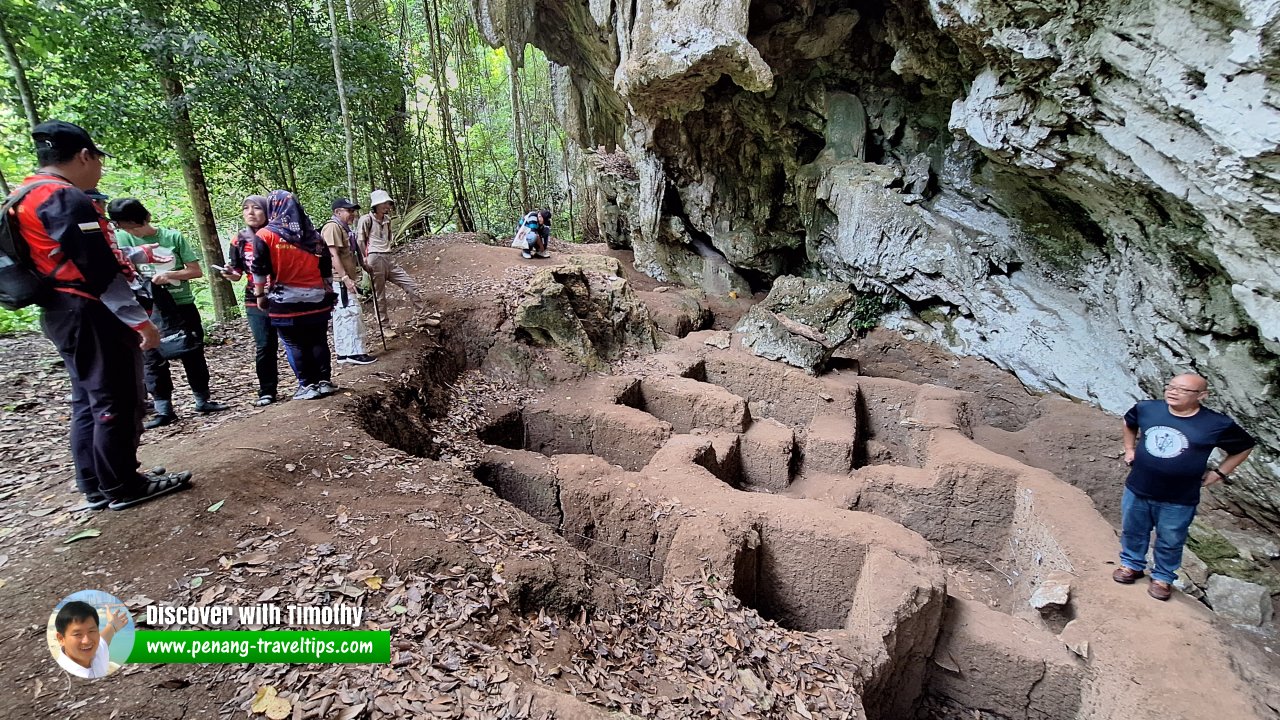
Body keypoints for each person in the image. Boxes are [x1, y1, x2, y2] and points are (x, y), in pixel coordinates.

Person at [11, 120, 190, 511]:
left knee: (88, 396)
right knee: (118, 396)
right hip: (91, 309)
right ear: (84, 156)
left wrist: (137, 256)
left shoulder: (23, 195)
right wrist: (140, 322)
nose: (99, 169)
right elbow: (99, 271)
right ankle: (122, 484)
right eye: (97, 160)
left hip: (61, 309)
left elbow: (72, 256)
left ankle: (97, 480)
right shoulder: (66, 198)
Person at [1114, 373, 1255, 600]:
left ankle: (1162, 577)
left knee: (1171, 538)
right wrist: (1129, 449)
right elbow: (1129, 422)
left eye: (1182, 389)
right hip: (1138, 486)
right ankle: (1131, 564)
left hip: (1179, 496)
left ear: (1202, 396)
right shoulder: (1147, 408)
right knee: (1133, 529)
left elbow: (1244, 446)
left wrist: (1220, 472)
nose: (1173, 391)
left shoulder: (1217, 424)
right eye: (1170, 386)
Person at [109, 198, 230, 427]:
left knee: (192, 353)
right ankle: (163, 409)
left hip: (181, 305)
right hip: (146, 309)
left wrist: (170, 275)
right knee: (152, 358)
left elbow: (195, 271)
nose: (133, 231)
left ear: (146, 218)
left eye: (136, 226)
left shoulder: (172, 237)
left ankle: (203, 400)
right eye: (127, 227)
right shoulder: (121, 240)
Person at [250, 190, 337, 400]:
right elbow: (325, 264)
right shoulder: (312, 235)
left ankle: (307, 385)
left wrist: (259, 294)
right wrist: (328, 288)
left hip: (284, 300)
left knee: (294, 343)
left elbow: (259, 268)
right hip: (316, 297)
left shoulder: (266, 236)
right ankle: (324, 381)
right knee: (318, 340)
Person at [222, 195, 279, 406]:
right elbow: (237, 273)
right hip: (253, 297)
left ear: (267, 211)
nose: (250, 212)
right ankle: (267, 391)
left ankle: (307, 382)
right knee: (264, 345)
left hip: (281, 294)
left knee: (294, 341)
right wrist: (229, 273)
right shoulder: (239, 239)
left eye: (256, 208)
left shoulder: (276, 234)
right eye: (246, 208)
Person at [357, 189, 437, 335]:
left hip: (388, 257)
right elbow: (360, 241)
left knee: (410, 285)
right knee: (380, 295)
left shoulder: (387, 220)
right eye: (385, 203)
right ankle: (385, 327)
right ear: (377, 204)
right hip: (374, 258)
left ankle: (421, 316)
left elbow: (388, 239)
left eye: (389, 203)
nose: (388, 206)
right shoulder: (366, 220)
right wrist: (364, 260)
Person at [321, 198, 375, 364]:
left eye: (353, 211)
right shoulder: (332, 227)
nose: (352, 214)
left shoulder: (344, 229)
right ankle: (355, 352)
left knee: (343, 314)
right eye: (349, 211)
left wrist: (364, 266)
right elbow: (333, 255)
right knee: (351, 313)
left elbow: (350, 252)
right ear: (338, 212)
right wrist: (345, 277)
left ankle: (344, 353)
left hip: (343, 280)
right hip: (339, 281)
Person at [54, 600, 127, 679]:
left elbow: (104, 639)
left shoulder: (96, 651)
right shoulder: (65, 676)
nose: (87, 641)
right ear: (61, 639)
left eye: (91, 631)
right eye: (77, 634)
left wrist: (113, 625)